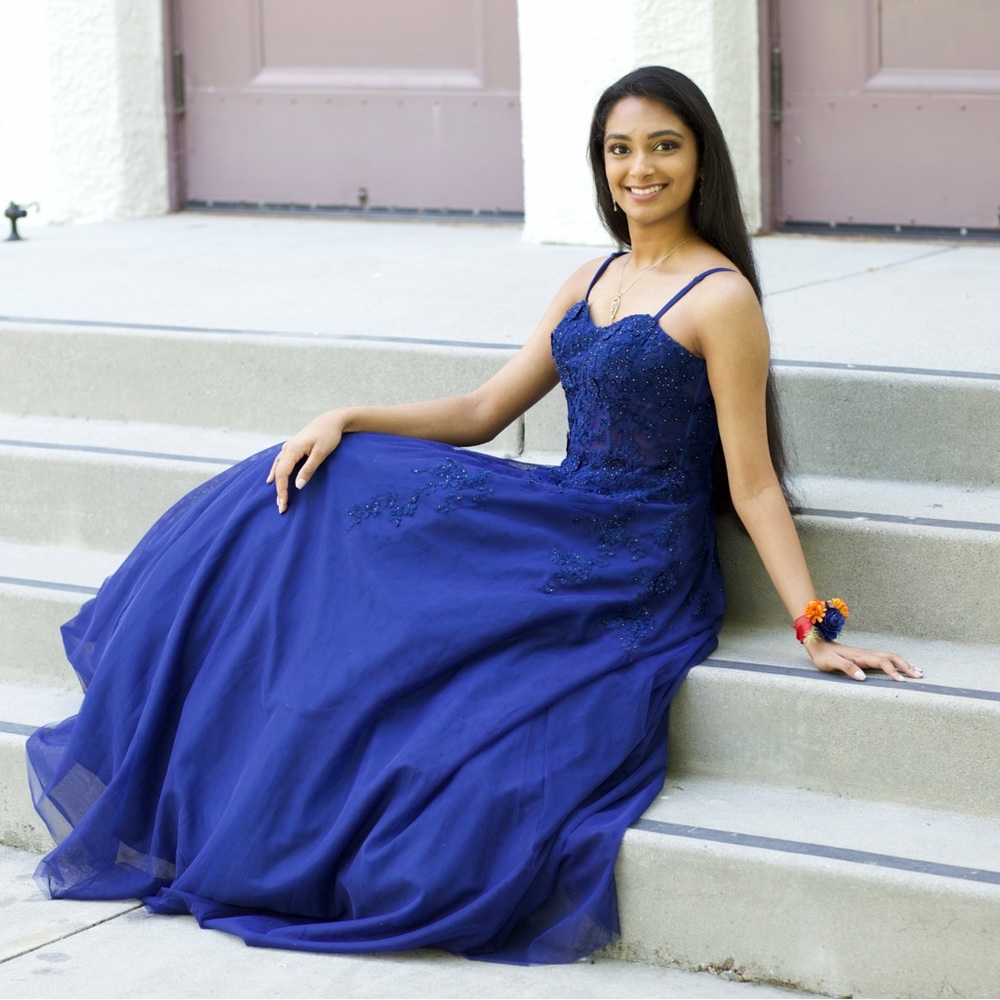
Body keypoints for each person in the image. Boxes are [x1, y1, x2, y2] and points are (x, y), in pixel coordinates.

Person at [27, 66, 918, 965]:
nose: (639, 168)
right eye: (620, 149)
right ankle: (182, 699)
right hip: (562, 506)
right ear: (601, 164)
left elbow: (754, 483)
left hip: (633, 556)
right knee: (313, 488)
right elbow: (487, 410)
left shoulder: (723, 299)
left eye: (663, 146)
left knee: (444, 674)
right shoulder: (589, 277)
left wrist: (815, 624)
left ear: (700, 161)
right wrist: (348, 416)